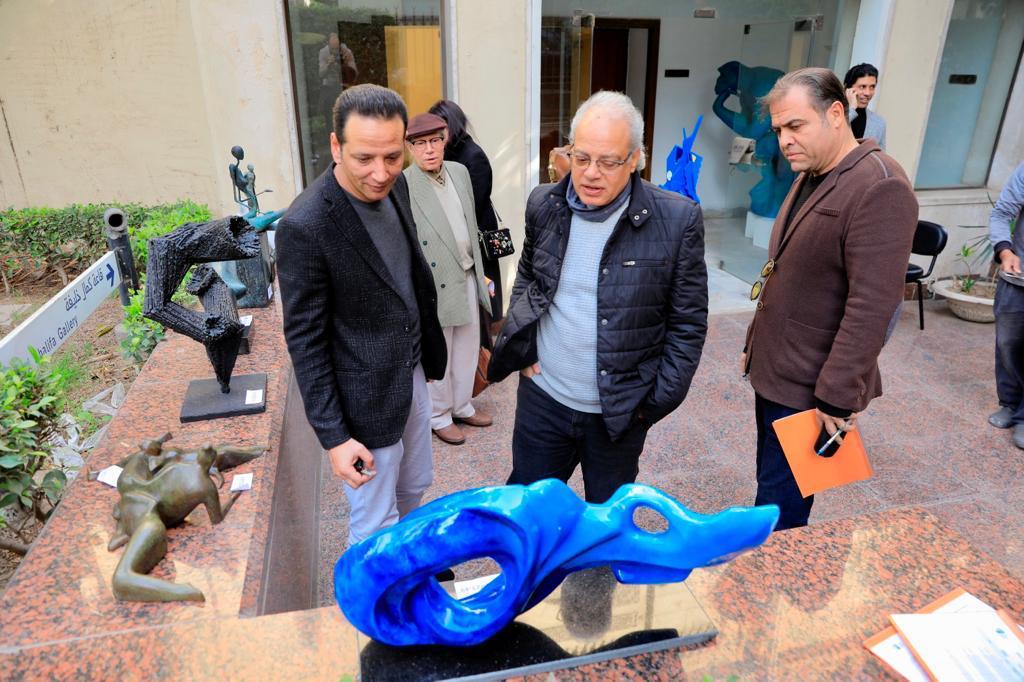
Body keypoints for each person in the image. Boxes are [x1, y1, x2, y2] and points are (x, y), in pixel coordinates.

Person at [488, 90, 709, 504]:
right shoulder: (544, 203)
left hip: (620, 414)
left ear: (635, 159)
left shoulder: (678, 220)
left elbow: (688, 324)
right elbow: (529, 276)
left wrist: (651, 404)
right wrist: (525, 345)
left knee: (607, 518)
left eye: (608, 162)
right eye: (581, 157)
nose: (590, 173)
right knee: (528, 511)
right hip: (543, 400)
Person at [743, 67, 917, 530]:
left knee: (781, 517)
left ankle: (778, 574)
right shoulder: (813, 171)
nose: (785, 140)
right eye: (779, 130)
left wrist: (837, 398)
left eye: (795, 125)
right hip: (778, 373)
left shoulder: (880, 184)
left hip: (812, 390)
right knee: (769, 494)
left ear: (836, 114)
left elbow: (873, 306)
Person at [275, 84, 447, 546]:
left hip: (411, 372)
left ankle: (408, 569)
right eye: (364, 158)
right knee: (373, 521)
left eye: (392, 156)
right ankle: (374, 591)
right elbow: (305, 341)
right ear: (336, 146)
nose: (380, 172)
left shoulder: (399, 186)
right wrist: (334, 437)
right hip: (363, 401)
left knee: (415, 487)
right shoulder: (305, 225)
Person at [403, 112, 493, 446]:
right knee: (440, 351)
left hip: (468, 271)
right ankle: (439, 416)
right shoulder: (405, 183)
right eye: (420, 143)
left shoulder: (459, 172)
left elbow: (471, 221)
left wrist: (482, 272)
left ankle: (462, 405)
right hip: (435, 281)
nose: (429, 149)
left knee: (468, 346)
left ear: (445, 141)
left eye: (435, 141)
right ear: (410, 147)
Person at [428, 99, 506, 323]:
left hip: (476, 236)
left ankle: (487, 331)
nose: (435, 138)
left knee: (483, 289)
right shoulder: (447, 153)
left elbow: (473, 204)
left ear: (452, 125)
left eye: (439, 130)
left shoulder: (473, 155)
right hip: (459, 236)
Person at [987, 161, 1024, 450]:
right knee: (1007, 343)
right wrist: (1005, 250)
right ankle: (1010, 403)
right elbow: (1001, 214)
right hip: (1017, 278)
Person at [843, 63, 886, 149]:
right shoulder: (833, 112)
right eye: (862, 87)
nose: (868, 93)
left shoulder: (878, 123)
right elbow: (832, 134)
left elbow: (879, 155)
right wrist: (851, 109)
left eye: (872, 87)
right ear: (848, 88)